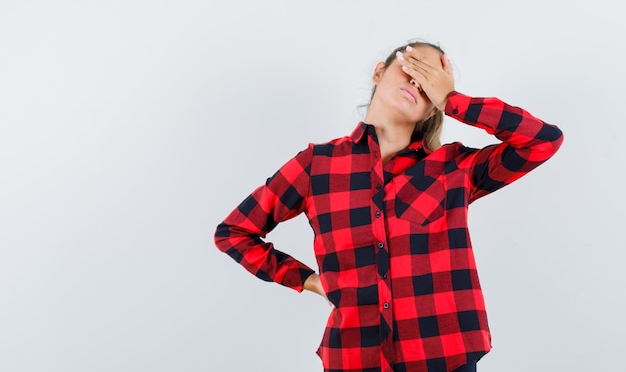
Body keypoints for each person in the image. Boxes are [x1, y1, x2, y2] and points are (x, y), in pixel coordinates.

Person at [214, 41, 564, 372]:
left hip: (445, 355)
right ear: (379, 72)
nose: (416, 81)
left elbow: (543, 141)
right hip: (353, 357)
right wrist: (311, 281)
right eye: (411, 67)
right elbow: (233, 233)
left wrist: (454, 99)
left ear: (433, 107)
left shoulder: (455, 168)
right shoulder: (316, 164)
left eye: (429, 81)